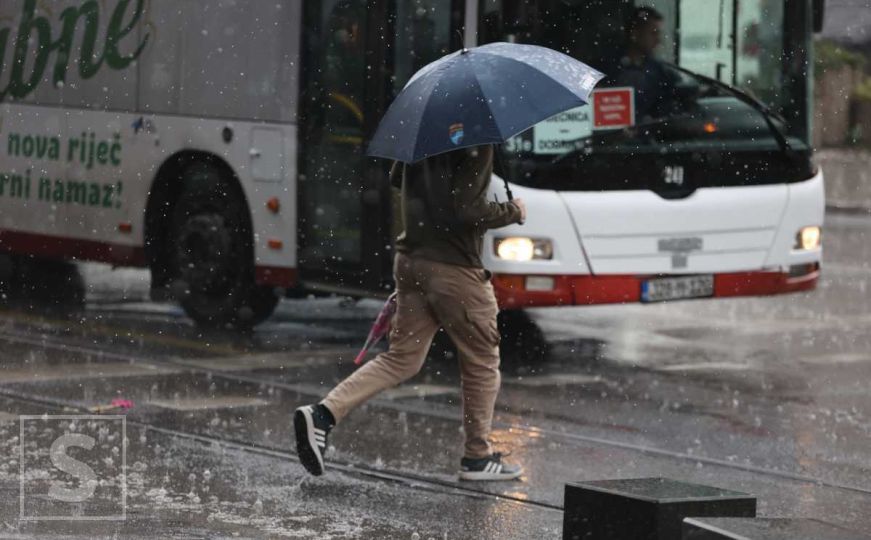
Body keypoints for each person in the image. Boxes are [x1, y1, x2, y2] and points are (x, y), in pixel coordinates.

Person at [294, 145, 527, 481]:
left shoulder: (422, 133)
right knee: (481, 363)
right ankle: (477, 458)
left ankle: (322, 415)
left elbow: (396, 178)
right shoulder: (477, 141)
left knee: (401, 359)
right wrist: (511, 211)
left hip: (411, 261)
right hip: (455, 269)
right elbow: (466, 210)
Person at [611, 6, 680, 121]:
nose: (658, 40)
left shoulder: (660, 71)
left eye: (658, 34)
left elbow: (677, 92)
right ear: (635, 34)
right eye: (653, 33)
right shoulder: (608, 67)